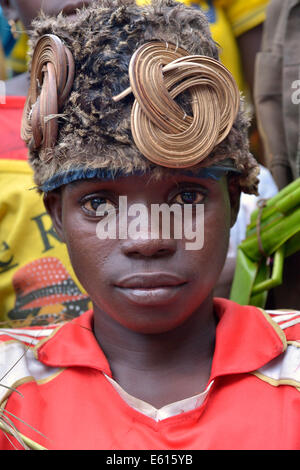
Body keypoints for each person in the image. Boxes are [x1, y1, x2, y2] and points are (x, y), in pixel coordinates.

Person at [0, 0, 300, 450]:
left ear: (234, 201)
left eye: (185, 197)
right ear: (57, 215)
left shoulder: (290, 367)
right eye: (100, 203)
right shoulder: (11, 387)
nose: (148, 239)